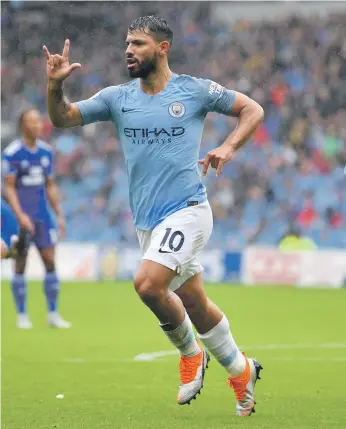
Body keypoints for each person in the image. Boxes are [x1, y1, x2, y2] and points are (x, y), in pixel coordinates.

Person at [43, 15, 264, 415]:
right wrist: (56, 85)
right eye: (128, 43)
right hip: (149, 222)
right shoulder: (117, 98)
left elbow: (252, 109)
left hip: (190, 211)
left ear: (162, 48)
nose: (129, 50)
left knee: (147, 284)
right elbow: (62, 118)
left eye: (139, 44)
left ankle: (190, 354)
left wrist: (228, 148)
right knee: (195, 304)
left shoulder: (194, 91)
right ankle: (241, 369)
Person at [2, 109, 71, 329]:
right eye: (32, 122)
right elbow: (9, 188)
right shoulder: (12, 152)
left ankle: (53, 313)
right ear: (23, 125)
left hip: (42, 216)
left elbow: (50, 186)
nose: (37, 125)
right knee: (20, 263)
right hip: (22, 218)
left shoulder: (46, 152)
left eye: (39, 121)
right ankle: (22, 315)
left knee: (50, 262)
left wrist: (59, 215)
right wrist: (20, 215)